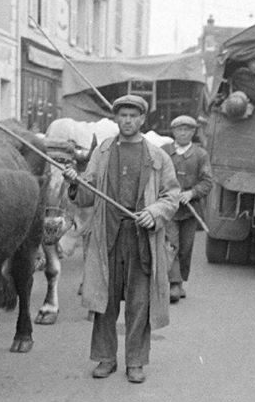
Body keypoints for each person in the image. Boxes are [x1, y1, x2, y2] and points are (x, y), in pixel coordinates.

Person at [62, 94, 179, 384]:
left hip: (142, 239)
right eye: (122, 116)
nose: (127, 121)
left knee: (140, 304)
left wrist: (154, 212)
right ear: (116, 119)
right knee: (105, 300)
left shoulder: (157, 156)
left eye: (132, 116)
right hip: (107, 236)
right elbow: (88, 196)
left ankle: (136, 362)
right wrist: (74, 182)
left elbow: (172, 196)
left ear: (142, 119)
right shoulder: (102, 152)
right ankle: (105, 358)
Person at [163, 116, 213, 303]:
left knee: (186, 247)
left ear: (193, 132)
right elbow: (155, 175)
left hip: (190, 211)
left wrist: (191, 193)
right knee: (171, 244)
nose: (182, 133)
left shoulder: (200, 155)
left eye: (187, 130)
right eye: (179, 130)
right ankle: (173, 283)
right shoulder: (164, 152)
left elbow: (208, 182)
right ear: (173, 132)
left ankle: (180, 281)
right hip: (168, 209)